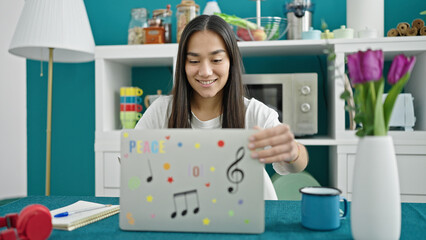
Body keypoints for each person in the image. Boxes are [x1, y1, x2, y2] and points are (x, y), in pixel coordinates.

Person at [135, 14, 309, 200]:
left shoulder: (255, 113)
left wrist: (292, 152)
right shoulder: (162, 110)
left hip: (251, 216)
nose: (205, 72)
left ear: (230, 62)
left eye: (216, 60)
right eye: (194, 61)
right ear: (183, 64)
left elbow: (296, 164)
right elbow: (132, 162)